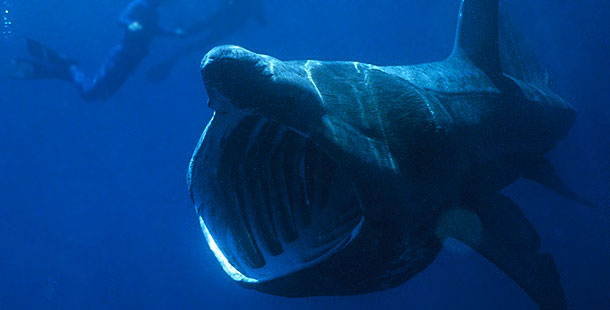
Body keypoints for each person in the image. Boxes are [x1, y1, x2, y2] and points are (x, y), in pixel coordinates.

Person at [10, 0, 183, 101]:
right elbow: (122, 18)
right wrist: (130, 24)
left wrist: (174, 34)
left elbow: (154, 30)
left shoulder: (153, 14)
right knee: (90, 93)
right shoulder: (140, 4)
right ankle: (70, 69)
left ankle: (65, 70)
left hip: (132, 59)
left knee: (101, 94)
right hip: (123, 54)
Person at [146, 0, 266, 83]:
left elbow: (260, 18)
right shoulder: (254, 3)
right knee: (197, 40)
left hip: (221, 20)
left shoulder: (254, 3)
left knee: (193, 35)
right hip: (225, 25)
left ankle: (175, 37)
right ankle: (175, 39)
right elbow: (261, 20)